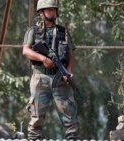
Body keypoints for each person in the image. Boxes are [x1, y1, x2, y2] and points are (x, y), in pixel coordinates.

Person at [22, 0, 79, 140]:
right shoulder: (32, 31)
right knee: (36, 119)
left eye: (54, 10)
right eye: (48, 10)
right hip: (40, 78)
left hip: (61, 79)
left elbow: (71, 54)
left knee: (70, 118)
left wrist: (69, 72)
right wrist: (43, 59)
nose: (52, 12)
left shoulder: (63, 31)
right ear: (41, 13)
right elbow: (26, 51)